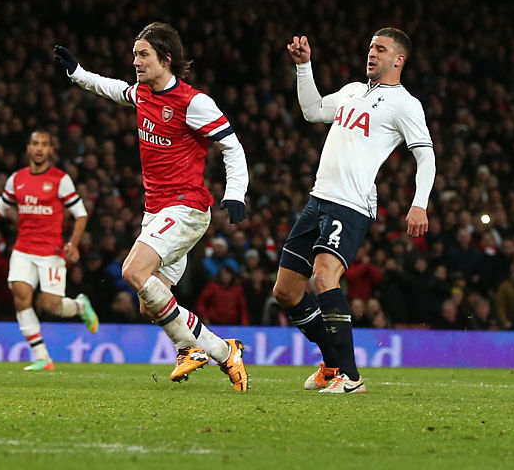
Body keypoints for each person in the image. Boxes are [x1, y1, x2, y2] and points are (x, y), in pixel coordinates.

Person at [53, 22, 250, 390]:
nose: (136, 61)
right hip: (157, 211)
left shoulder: (194, 102)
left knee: (133, 272)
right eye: (134, 55)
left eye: (143, 54)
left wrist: (236, 192)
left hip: (186, 208)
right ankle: (224, 352)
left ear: (166, 58)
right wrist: (78, 74)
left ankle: (192, 348)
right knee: (149, 304)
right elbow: (111, 89)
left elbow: (232, 147)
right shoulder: (143, 93)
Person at [274, 29, 435, 394]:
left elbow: (425, 155)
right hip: (318, 199)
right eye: (370, 48)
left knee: (324, 277)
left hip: (351, 203)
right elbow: (313, 111)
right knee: (285, 291)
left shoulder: (405, 104)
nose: (372, 54)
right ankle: (332, 366)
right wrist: (304, 67)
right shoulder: (351, 91)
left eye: (381, 49)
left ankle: (351, 376)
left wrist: (419, 202)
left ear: (399, 60)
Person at [0, 129, 98, 370]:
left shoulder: (60, 179)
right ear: (28, 148)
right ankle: (42, 357)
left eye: (44, 144)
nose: (39, 148)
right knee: (21, 296)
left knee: (51, 306)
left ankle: (79, 306)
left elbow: (81, 214)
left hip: (51, 251)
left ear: (51, 150)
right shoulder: (17, 179)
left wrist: (73, 243)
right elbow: (0, 207)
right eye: (35, 143)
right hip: (23, 249)